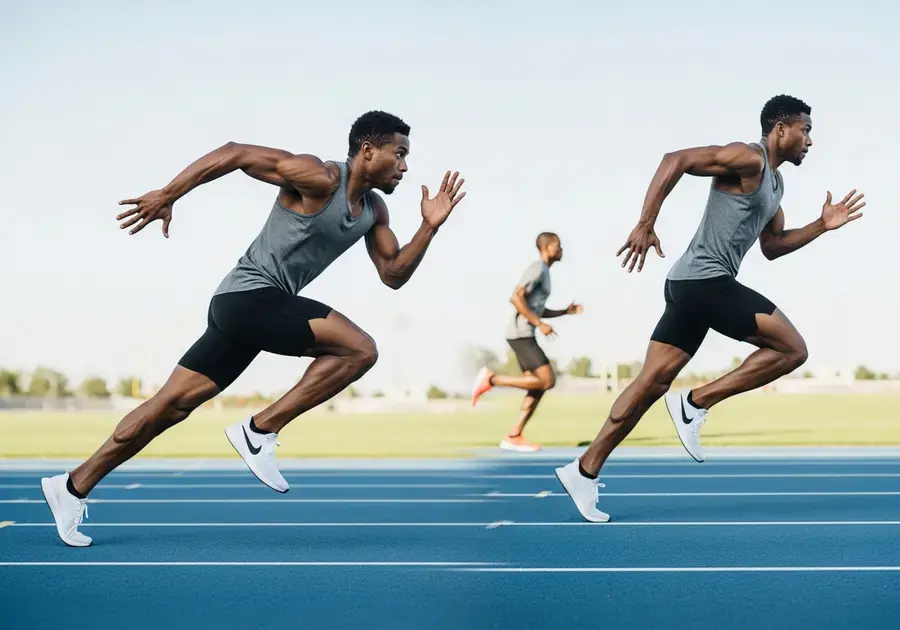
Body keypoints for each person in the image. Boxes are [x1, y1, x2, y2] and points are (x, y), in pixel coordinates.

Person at [40, 111, 467, 546]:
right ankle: (259, 429)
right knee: (359, 350)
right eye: (399, 154)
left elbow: (393, 273)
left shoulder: (374, 211)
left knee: (169, 406)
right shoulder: (319, 177)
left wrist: (428, 228)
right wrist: (169, 194)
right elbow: (235, 154)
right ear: (368, 150)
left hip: (248, 312)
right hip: (249, 298)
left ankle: (72, 486)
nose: (405, 167)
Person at [555, 95, 865, 522]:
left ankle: (584, 469)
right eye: (805, 130)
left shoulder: (775, 184)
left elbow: (772, 247)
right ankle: (696, 403)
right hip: (705, 282)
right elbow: (675, 159)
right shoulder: (748, 159)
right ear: (780, 129)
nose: (810, 140)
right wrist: (646, 222)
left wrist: (821, 225)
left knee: (651, 383)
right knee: (793, 350)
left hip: (689, 286)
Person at [470, 232, 583, 452]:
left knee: (537, 386)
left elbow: (537, 309)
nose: (561, 250)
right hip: (520, 334)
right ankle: (491, 380)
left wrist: (564, 312)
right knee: (547, 380)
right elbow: (516, 297)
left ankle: (514, 435)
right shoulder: (538, 268)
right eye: (558, 246)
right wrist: (539, 324)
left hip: (524, 333)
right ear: (547, 247)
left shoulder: (545, 272)